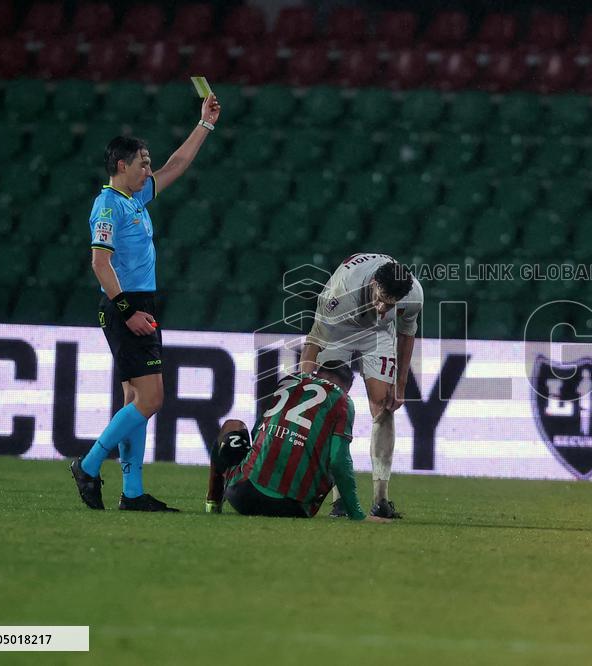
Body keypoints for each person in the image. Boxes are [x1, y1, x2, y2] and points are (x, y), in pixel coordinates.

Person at [69, 92, 222, 512]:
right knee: (152, 399)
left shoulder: (133, 199)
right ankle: (89, 463)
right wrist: (127, 312)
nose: (149, 168)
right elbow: (100, 263)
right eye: (143, 162)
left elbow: (177, 165)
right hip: (126, 307)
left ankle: (132, 493)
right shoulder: (107, 205)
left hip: (138, 306)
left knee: (134, 400)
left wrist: (204, 125)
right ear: (122, 165)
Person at [299, 254, 423, 519]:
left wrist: (401, 385)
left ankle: (381, 499)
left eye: (389, 304)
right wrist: (303, 385)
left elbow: (406, 334)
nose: (381, 308)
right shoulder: (340, 293)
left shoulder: (413, 296)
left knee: (384, 406)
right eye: (379, 298)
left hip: (378, 335)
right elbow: (314, 342)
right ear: (373, 283)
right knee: (330, 403)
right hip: (340, 330)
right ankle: (339, 499)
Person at [205, 360, 389, 523]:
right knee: (330, 452)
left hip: (243, 496)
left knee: (232, 425)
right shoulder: (343, 400)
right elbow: (339, 460)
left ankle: (213, 502)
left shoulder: (290, 381)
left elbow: (258, 429)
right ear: (347, 388)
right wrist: (357, 515)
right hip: (293, 508)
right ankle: (321, 501)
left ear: (317, 374)